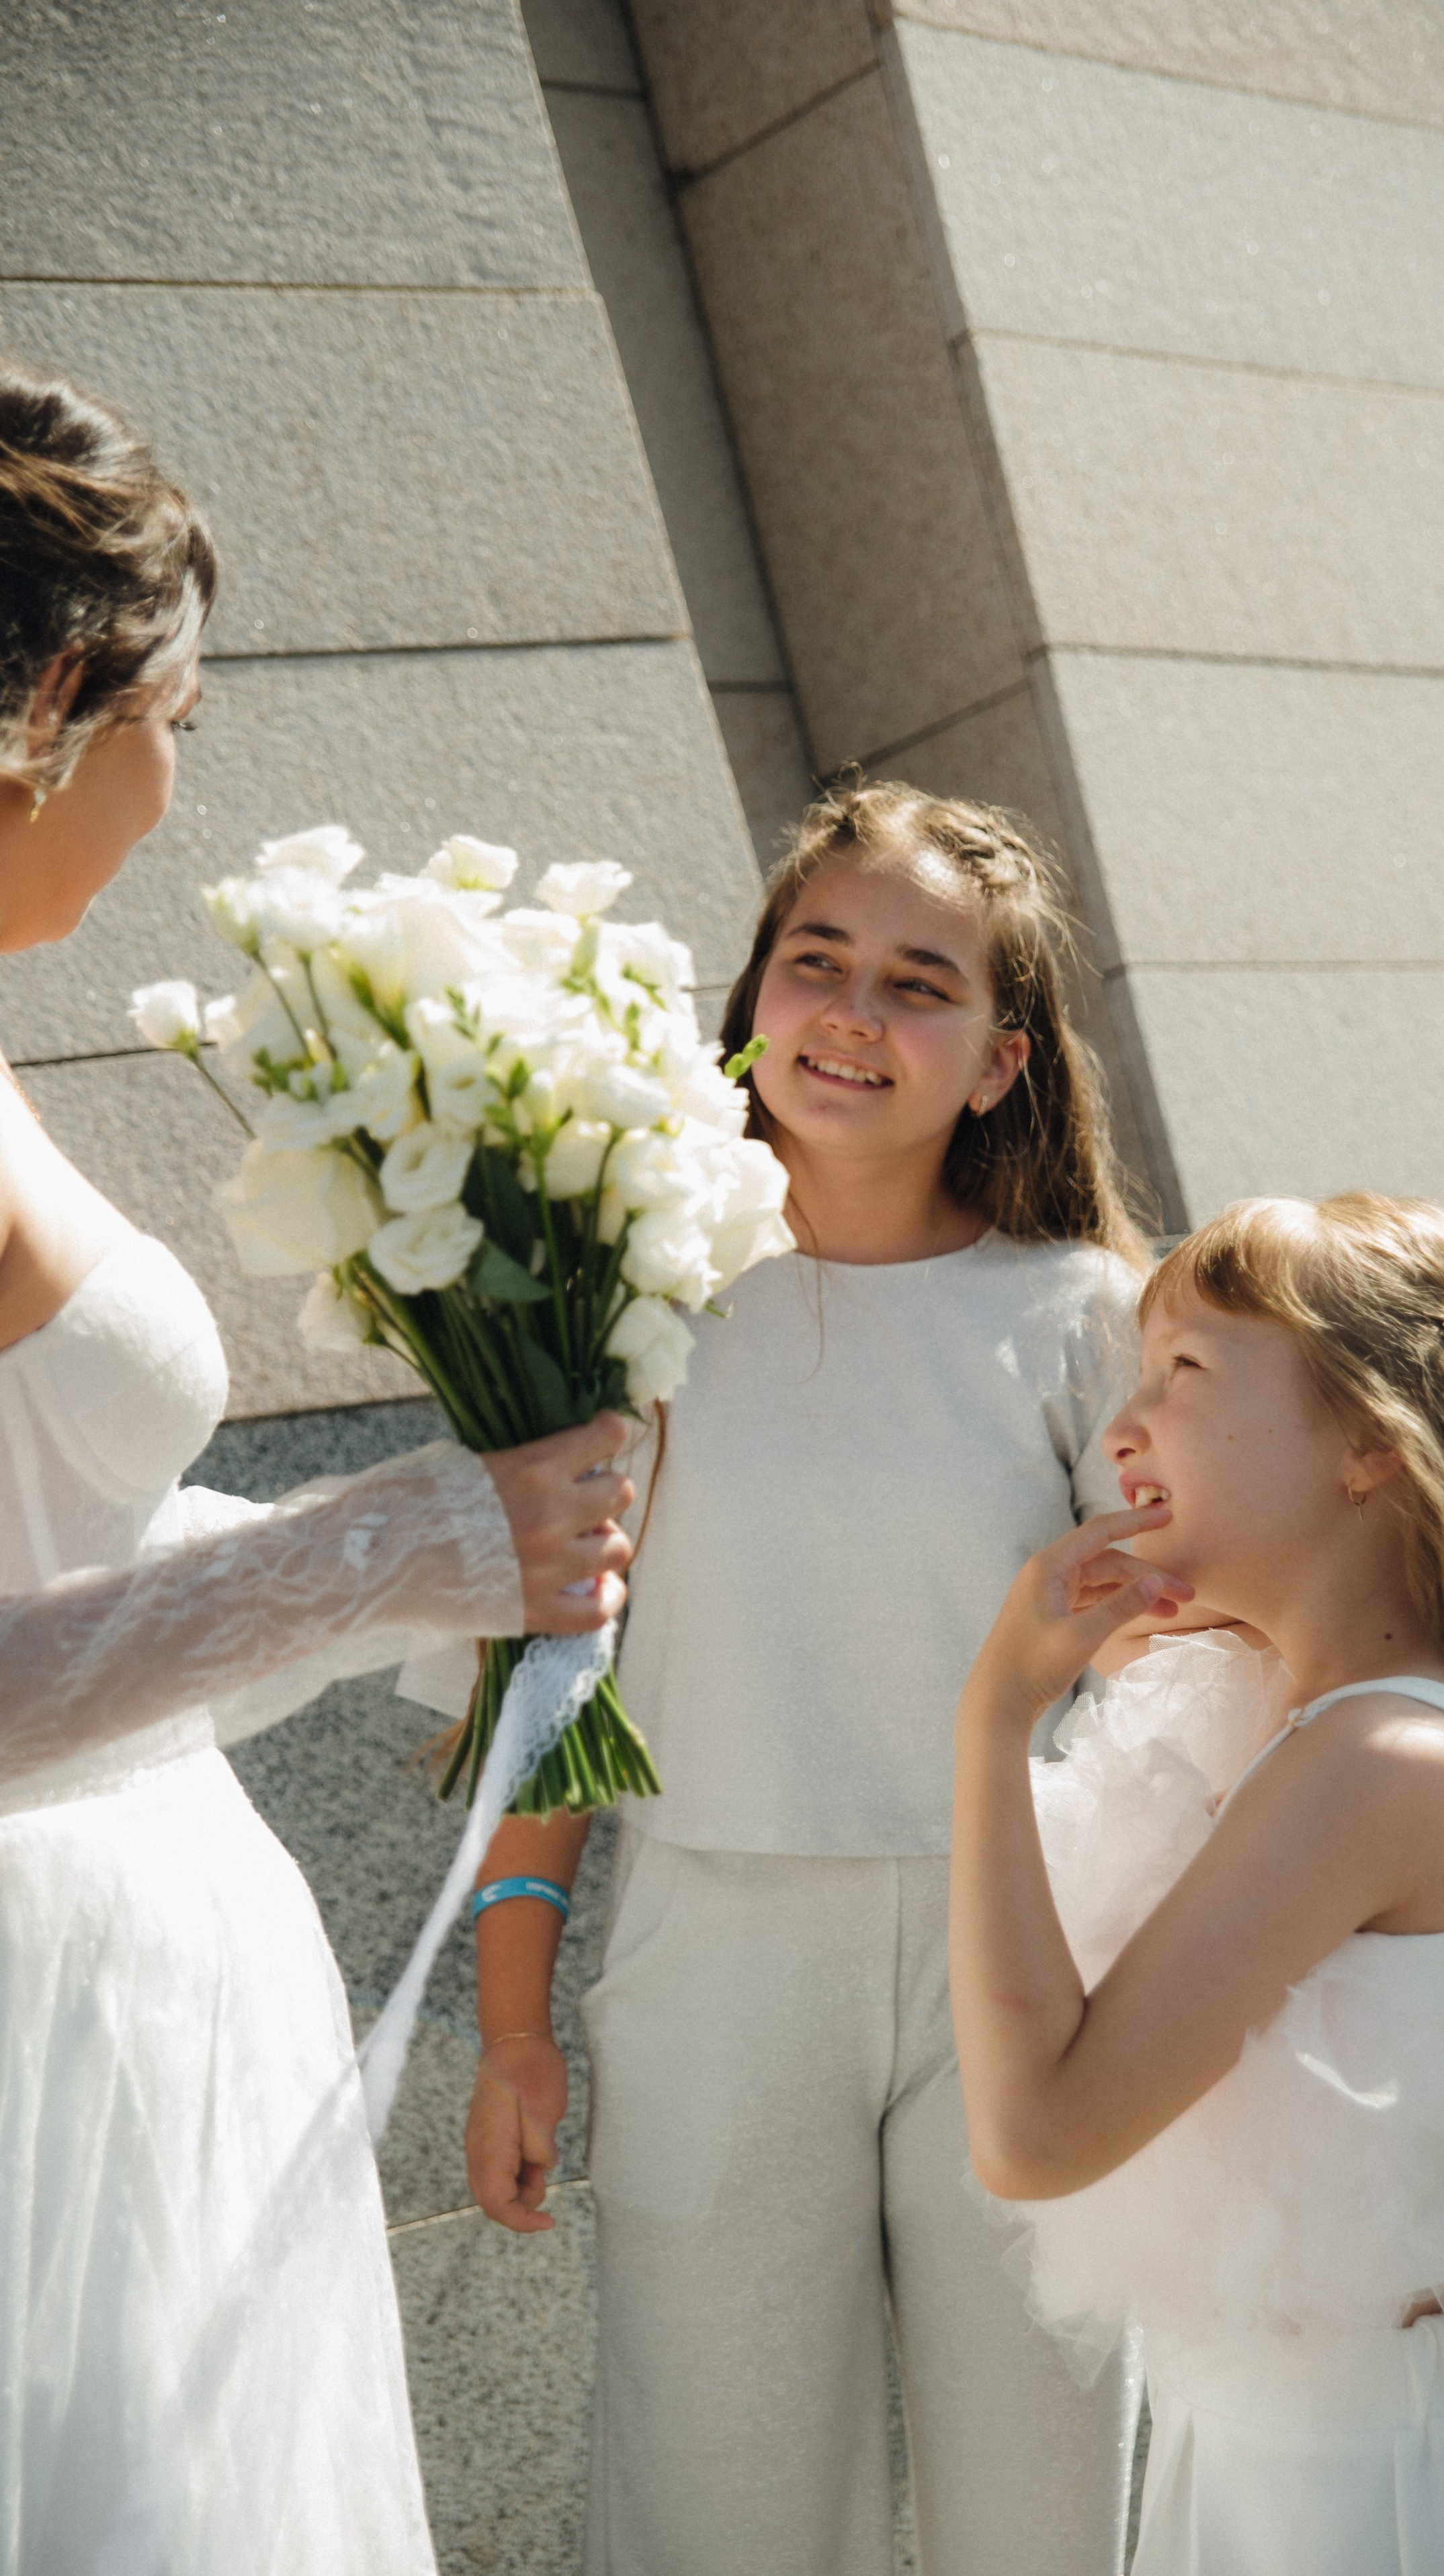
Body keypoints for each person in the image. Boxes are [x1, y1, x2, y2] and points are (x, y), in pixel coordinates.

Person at [0, 362, 634, 2574]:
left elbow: (56, 1557)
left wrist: (452, 1580)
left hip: (147, 1964)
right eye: (183, 720)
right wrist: (389, 1549)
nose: (176, 791)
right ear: (68, 690)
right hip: (46, 2029)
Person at [465, 781, 1159, 2576]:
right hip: (712, 1951)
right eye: (817, 958)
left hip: (1030, 1953)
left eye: (921, 982)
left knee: (1054, 2493)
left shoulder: (1084, 1313)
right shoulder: (624, 1298)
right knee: (722, 2497)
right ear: (753, 993)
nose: (854, 1010)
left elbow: (1182, 1669)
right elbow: (549, 1675)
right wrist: (517, 2020)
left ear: (1003, 1060)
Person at [949, 1190, 1444, 2574]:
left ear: (1373, 1439)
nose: (1121, 1429)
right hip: (1317, 2431)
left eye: (1182, 1373)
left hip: (1369, 2486)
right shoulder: (1317, 1707)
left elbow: (1036, 2134)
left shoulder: (1379, 1758)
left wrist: (991, 1721)